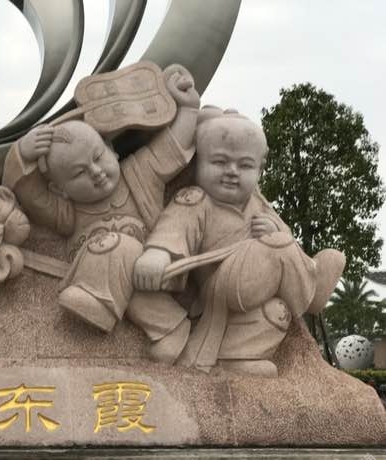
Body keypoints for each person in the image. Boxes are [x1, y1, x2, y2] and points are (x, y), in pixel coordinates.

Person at [2, 65, 200, 354]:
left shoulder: (139, 174)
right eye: (79, 173)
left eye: (98, 157)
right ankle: (170, 327)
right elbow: (30, 196)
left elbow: (172, 147)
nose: (95, 172)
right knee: (124, 270)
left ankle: (99, 301)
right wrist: (21, 154)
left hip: (156, 267)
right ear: (60, 189)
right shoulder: (68, 212)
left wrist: (189, 107)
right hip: (128, 281)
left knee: (122, 249)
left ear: (111, 149)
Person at [133, 109, 345, 376]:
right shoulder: (196, 200)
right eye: (220, 162)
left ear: (260, 169)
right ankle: (311, 291)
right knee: (280, 244)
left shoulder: (258, 204)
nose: (232, 172)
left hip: (252, 290)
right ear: (199, 162)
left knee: (276, 311)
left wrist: (274, 229)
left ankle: (237, 357)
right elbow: (173, 230)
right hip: (220, 283)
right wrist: (157, 254)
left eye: (244, 166)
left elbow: (283, 233)